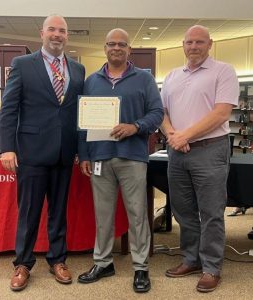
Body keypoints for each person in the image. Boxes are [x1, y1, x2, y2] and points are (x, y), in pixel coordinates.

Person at [0, 14, 85, 291]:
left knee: (59, 212)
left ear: (67, 35)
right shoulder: (23, 65)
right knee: (29, 212)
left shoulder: (77, 69)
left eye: (62, 30)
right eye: (52, 29)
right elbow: (9, 109)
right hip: (32, 153)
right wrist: (7, 148)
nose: (57, 34)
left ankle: (57, 260)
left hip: (64, 154)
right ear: (42, 33)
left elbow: (78, 115)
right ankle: (22, 263)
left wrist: (81, 151)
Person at [77, 28, 163, 293]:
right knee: (103, 215)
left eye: (122, 44)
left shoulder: (144, 80)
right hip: (100, 156)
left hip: (133, 157)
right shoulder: (91, 81)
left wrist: (135, 126)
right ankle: (103, 263)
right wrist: (84, 154)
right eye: (111, 43)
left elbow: (157, 113)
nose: (116, 47)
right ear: (105, 47)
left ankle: (140, 268)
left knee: (137, 214)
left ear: (129, 50)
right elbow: (81, 122)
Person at [161, 25, 239, 293]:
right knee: (183, 210)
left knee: (211, 212)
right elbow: (161, 112)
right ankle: (191, 259)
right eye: (189, 42)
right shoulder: (172, 76)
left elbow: (221, 113)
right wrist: (172, 135)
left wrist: (185, 136)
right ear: (183, 45)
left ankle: (211, 267)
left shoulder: (224, 71)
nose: (193, 46)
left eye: (199, 42)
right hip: (177, 152)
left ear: (210, 44)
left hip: (210, 150)